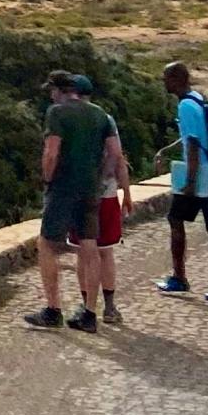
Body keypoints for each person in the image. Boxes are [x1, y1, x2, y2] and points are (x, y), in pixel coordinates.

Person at [25, 70, 113, 332]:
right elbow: (113, 154)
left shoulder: (57, 113)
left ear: (59, 90)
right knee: (89, 246)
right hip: (90, 187)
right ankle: (89, 314)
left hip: (64, 186)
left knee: (47, 244)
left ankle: (53, 309)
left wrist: (47, 178)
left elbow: (52, 151)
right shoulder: (99, 114)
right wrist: (100, 177)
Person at [156, 61, 208, 304]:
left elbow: (192, 144)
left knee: (175, 220)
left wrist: (189, 181)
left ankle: (179, 277)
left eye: (166, 78)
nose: (164, 83)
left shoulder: (185, 106)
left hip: (200, 176)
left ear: (176, 79)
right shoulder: (198, 99)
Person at [74, 75, 134, 324]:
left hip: (80, 193)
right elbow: (117, 157)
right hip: (108, 193)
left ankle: (87, 306)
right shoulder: (105, 119)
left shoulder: (68, 118)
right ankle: (109, 307)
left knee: (83, 252)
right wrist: (127, 193)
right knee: (106, 252)